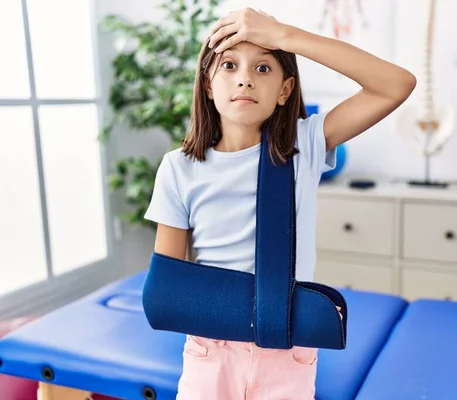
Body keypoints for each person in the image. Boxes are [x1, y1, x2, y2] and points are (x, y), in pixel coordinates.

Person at [143, 7, 416, 400]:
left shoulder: (303, 147)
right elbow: (169, 292)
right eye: (230, 65)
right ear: (207, 83)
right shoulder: (179, 169)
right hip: (210, 356)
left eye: (264, 69)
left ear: (285, 90)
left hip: (284, 357)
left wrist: (285, 36)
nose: (245, 79)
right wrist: (278, 310)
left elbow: (396, 85)